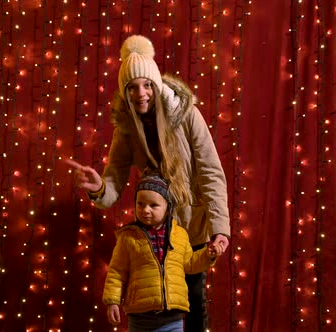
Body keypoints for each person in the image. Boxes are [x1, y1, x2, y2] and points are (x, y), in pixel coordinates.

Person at [67, 34, 230, 331]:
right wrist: (98, 188)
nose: (140, 93)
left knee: (194, 302)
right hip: (154, 227)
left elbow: (211, 172)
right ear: (125, 92)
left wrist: (220, 230)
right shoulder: (127, 128)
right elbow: (114, 177)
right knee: (154, 304)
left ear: (156, 85)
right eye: (132, 87)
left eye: (146, 85)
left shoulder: (187, 115)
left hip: (190, 227)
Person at [102, 172, 217, 331]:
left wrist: (207, 255)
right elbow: (116, 271)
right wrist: (112, 301)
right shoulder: (128, 237)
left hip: (172, 318)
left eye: (153, 205)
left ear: (168, 208)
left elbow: (190, 264)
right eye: (140, 203)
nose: (145, 210)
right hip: (140, 317)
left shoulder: (180, 235)